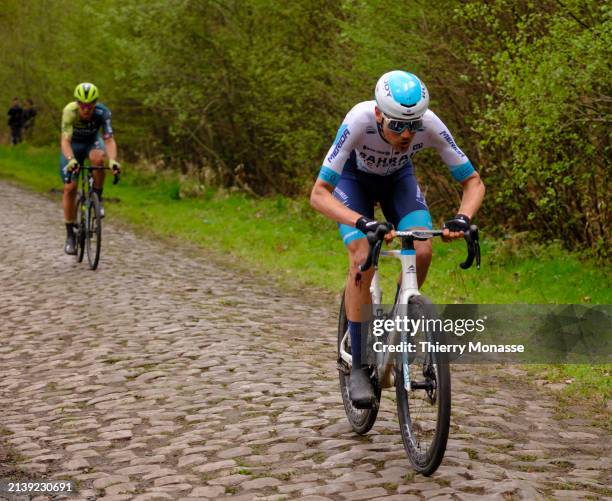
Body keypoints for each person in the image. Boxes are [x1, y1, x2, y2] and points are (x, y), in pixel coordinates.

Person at [310, 70, 485, 408]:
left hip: (397, 182)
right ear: (378, 114)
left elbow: (473, 182)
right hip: (354, 184)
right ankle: (359, 365)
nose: (407, 134)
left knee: (423, 248)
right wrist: (362, 221)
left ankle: (402, 313)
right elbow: (319, 194)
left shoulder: (430, 123)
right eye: (397, 125)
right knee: (363, 253)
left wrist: (463, 218)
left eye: (414, 126)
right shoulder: (359, 120)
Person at [60, 82, 121, 255]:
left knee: (98, 158)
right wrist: (71, 160)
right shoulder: (69, 112)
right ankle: (70, 235)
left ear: (96, 103)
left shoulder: (103, 113)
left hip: (92, 142)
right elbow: (65, 141)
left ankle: (97, 197)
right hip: (73, 145)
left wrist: (113, 161)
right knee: (70, 188)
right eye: (83, 105)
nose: (86, 109)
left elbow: (108, 139)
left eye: (90, 105)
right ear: (77, 103)